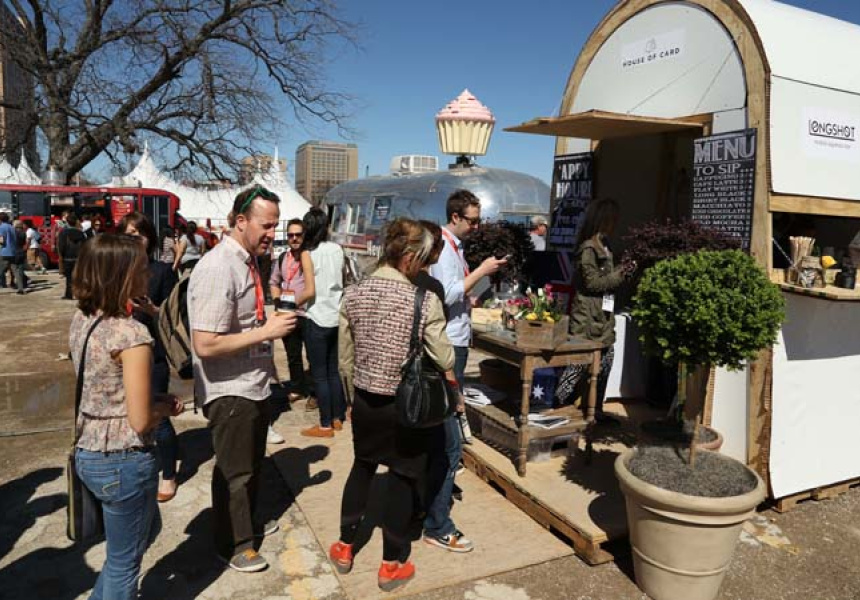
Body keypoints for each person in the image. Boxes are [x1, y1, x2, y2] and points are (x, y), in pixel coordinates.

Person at [330, 218, 455, 592]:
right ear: (410, 257)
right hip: (406, 406)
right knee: (402, 477)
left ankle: (344, 546)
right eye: (422, 258)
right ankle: (391, 565)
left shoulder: (353, 293)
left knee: (362, 466)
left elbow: (345, 359)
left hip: (366, 401)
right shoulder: (424, 300)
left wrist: (351, 397)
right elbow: (445, 358)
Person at [188, 185, 297, 573]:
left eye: (275, 225)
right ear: (240, 221)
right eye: (266, 225)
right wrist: (266, 332)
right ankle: (234, 544)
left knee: (249, 466)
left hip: (251, 384)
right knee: (235, 473)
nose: (272, 233)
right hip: (230, 389)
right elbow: (205, 343)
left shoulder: (246, 261)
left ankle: (245, 525)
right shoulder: (219, 267)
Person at [70, 234, 183, 600]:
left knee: (130, 546)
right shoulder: (132, 334)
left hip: (88, 449)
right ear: (121, 275)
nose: (147, 275)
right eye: (141, 268)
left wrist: (154, 398)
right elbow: (140, 420)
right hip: (123, 460)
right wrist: (164, 407)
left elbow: (105, 386)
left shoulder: (83, 319)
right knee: (124, 564)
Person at [425, 190, 506, 553]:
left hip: (455, 336)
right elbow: (446, 293)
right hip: (449, 342)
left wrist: (470, 295)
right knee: (449, 435)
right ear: (455, 217)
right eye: (472, 220)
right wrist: (481, 272)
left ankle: (435, 501)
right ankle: (437, 521)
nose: (476, 226)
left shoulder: (451, 246)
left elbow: (453, 293)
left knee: (445, 431)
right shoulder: (444, 247)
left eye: (478, 220)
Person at [120, 212, 181, 502]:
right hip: (120, 352)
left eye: (138, 234)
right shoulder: (116, 269)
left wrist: (152, 310)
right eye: (128, 234)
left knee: (158, 415)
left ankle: (168, 473)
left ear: (149, 238)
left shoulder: (162, 271)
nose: (134, 239)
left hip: (151, 353)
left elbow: (173, 317)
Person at [555, 198, 631, 423]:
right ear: (605, 219)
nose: (616, 223)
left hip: (603, 318)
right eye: (614, 218)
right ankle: (557, 406)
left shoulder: (605, 245)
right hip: (587, 319)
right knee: (577, 365)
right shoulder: (588, 249)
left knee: (605, 364)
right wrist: (620, 274)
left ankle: (595, 410)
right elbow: (593, 283)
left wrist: (623, 271)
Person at [300, 207, 346, 438]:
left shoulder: (308, 253)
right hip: (335, 316)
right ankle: (337, 417)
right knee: (333, 371)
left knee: (319, 374)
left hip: (316, 317)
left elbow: (309, 291)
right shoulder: (338, 249)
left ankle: (325, 424)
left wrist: (288, 303)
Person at [268, 218, 315, 429]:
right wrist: (278, 300)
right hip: (288, 314)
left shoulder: (309, 257)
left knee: (312, 355)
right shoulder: (282, 259)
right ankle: (297, 388)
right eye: (290, 235)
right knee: (293, 354)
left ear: (304, 236)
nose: (294, 239)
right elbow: (273, 282)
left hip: (308, 314)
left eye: (298, 235)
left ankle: (313, 390)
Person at [57, 214, 86, 299]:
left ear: (67, 222)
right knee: (78, 277)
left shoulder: (63, 232)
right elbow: (85, 246)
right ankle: (79, 293)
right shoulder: (81, 233)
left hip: (67, 258)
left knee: (69, 278)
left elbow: (61, 246)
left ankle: (69, 294)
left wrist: (61, 256)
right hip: (78, 258)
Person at [10, 220, 28, 294]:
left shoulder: (12, 233)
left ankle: (20, 288)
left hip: (14, 253)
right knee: (20, 269)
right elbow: (24, 243)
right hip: (21, 252)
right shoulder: (23, 233)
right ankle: (23, 283)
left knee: (14, 270)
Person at [0, 212, 15, 288]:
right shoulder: (12, 227)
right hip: (13, 250)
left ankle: (2, 284)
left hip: (5, 251)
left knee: (1, 269)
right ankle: (12, 282)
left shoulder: (2, 227)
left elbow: (2, 240)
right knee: (12, 268)